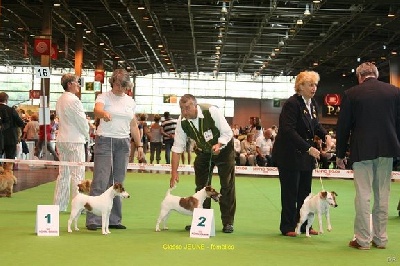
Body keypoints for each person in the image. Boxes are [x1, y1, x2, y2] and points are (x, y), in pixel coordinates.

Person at [335, 62, 400, 250]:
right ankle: (381, 238)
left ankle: (363, 240)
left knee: (363, 195)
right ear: (376, 75)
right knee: (383, 194)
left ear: (359, 77)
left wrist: (340, 154)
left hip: (361, 150)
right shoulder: (394, 92)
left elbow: (343, 127)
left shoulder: (351, 94)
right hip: (387, 149)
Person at [272, 70, 332, 237]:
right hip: (289, 155)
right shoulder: (292, 104)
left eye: (315, 85)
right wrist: (308, 147)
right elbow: (288, 130)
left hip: (306, 156)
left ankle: (305, 224)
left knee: (305, 193)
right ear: (301, 86)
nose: (314, 88)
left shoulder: (312, 104)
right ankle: (288, 226)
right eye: (310, 85)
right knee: (291, 192)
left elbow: (315, 125)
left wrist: (325, 135)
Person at [169, 94, 236, 233]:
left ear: (195, 105)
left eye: (187, 108)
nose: (184, 112)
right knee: (201, 187)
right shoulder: (182, 121)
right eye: (182, 108)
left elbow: (227, 132)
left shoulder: (211, 111)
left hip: (224, 150)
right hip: (204, 151)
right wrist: (174, 172)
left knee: (227, 186)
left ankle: (228, 222)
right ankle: (201, 221)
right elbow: (177, 147)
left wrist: (219, 144)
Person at [86, 68, 143, 231]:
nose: (119, 88)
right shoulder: (104, 97)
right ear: (112, 83)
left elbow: (133, 125)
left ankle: (114, 219)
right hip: (105, 140)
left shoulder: (130, 102)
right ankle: (93, 219)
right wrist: (103, 113)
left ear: (127, 86)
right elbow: (97, 110)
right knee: (101, 179)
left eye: (123, 85)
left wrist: (138, 145)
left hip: (123, 143)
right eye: (117, 84)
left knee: (118, 181)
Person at [53, 73, 89, 212]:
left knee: (64, 174)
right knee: (78, 174)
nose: (79, 85)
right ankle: (80, 206)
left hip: (62, 139)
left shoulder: (60, 99)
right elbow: (82, 122)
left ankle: (59, 206)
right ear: (69, 84)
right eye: (76, 82)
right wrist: (88, 135)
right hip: (74, 141)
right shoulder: (74, 100)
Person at [0, 92, 25, 160]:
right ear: (7, 100)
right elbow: (20, 123)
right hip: (10, 138)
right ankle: (8, 170)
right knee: (10, 158)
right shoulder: (11, 110)